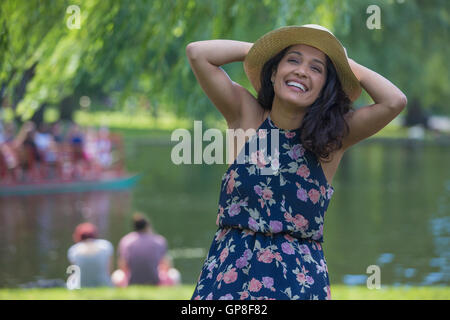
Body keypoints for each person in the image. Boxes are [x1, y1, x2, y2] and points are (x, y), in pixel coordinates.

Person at [186, 24, 407, 300]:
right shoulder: (245, 115)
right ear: (274, 71)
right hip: (228, 275)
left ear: (326, 87)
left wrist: (343, 64)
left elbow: (394, 101)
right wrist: (263, 51)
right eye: (293, 60)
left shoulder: (333, 137)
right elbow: (197, 53)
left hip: (298, 284)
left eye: (316, 68)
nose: (302, 71)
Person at [116, 213, 178, 286]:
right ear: (147, 226)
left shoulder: (126, 241)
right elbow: (167, 265)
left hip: (131, 281)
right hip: (155, 281)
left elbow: (122, 265)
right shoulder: (159, 240)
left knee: (116, 274)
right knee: (174, 273)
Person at [67, 222, 113, 288]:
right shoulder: (106, 246)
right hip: (104, 284)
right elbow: (109, 271)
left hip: (81, 286)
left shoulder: (74, 250)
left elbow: (74, 271)